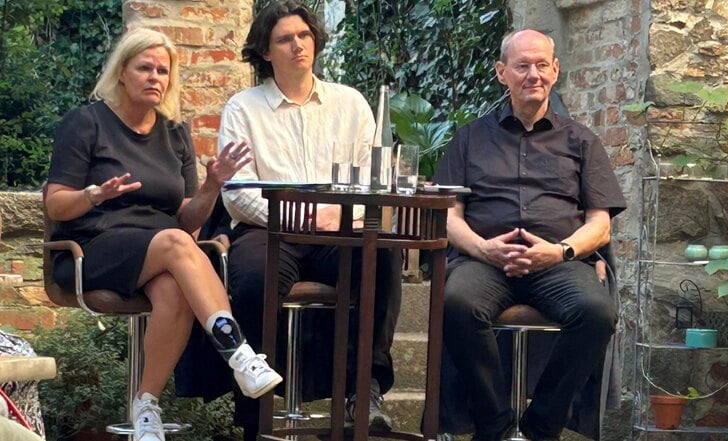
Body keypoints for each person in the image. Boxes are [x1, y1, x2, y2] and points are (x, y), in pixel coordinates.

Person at [46, 28, 283, 441]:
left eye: (163, 70)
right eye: (144, 68)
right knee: (178, 243)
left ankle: (146, 408)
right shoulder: (86, 123)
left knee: (175, 282)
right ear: (122, 72)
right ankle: (239, 353)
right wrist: (94, 194)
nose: (155, 77)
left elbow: (187, 217)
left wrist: (213, 185)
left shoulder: (174, 132)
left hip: (159, 249)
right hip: (93, 247)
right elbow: (55, 205)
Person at [216, 1, 403, 439]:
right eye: (284, 38)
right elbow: (237, 194)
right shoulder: (243, 108)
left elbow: (374, 184)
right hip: (269, 230)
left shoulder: (351, 103)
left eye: (304, 35)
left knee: (383, 257)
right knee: (252, 278)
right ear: (265, 50)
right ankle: (254, 408)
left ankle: (364, 391)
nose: (298, 45)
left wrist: (335, 216)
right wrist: (299, 217)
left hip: (337, 231)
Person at [433, 29, 626, 441]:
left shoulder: (582, 141)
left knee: (597, 314)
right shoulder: (468, 138)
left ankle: (543, 427)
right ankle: (494, 424)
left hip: (558, 263)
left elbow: (600, 223)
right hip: (483, 261)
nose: (532, 74)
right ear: (502, 73)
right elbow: (448, 214)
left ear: (555, 71)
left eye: (541, 65)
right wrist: (483, 248)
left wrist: (560, 251)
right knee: (455, 303)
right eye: (522, 66)